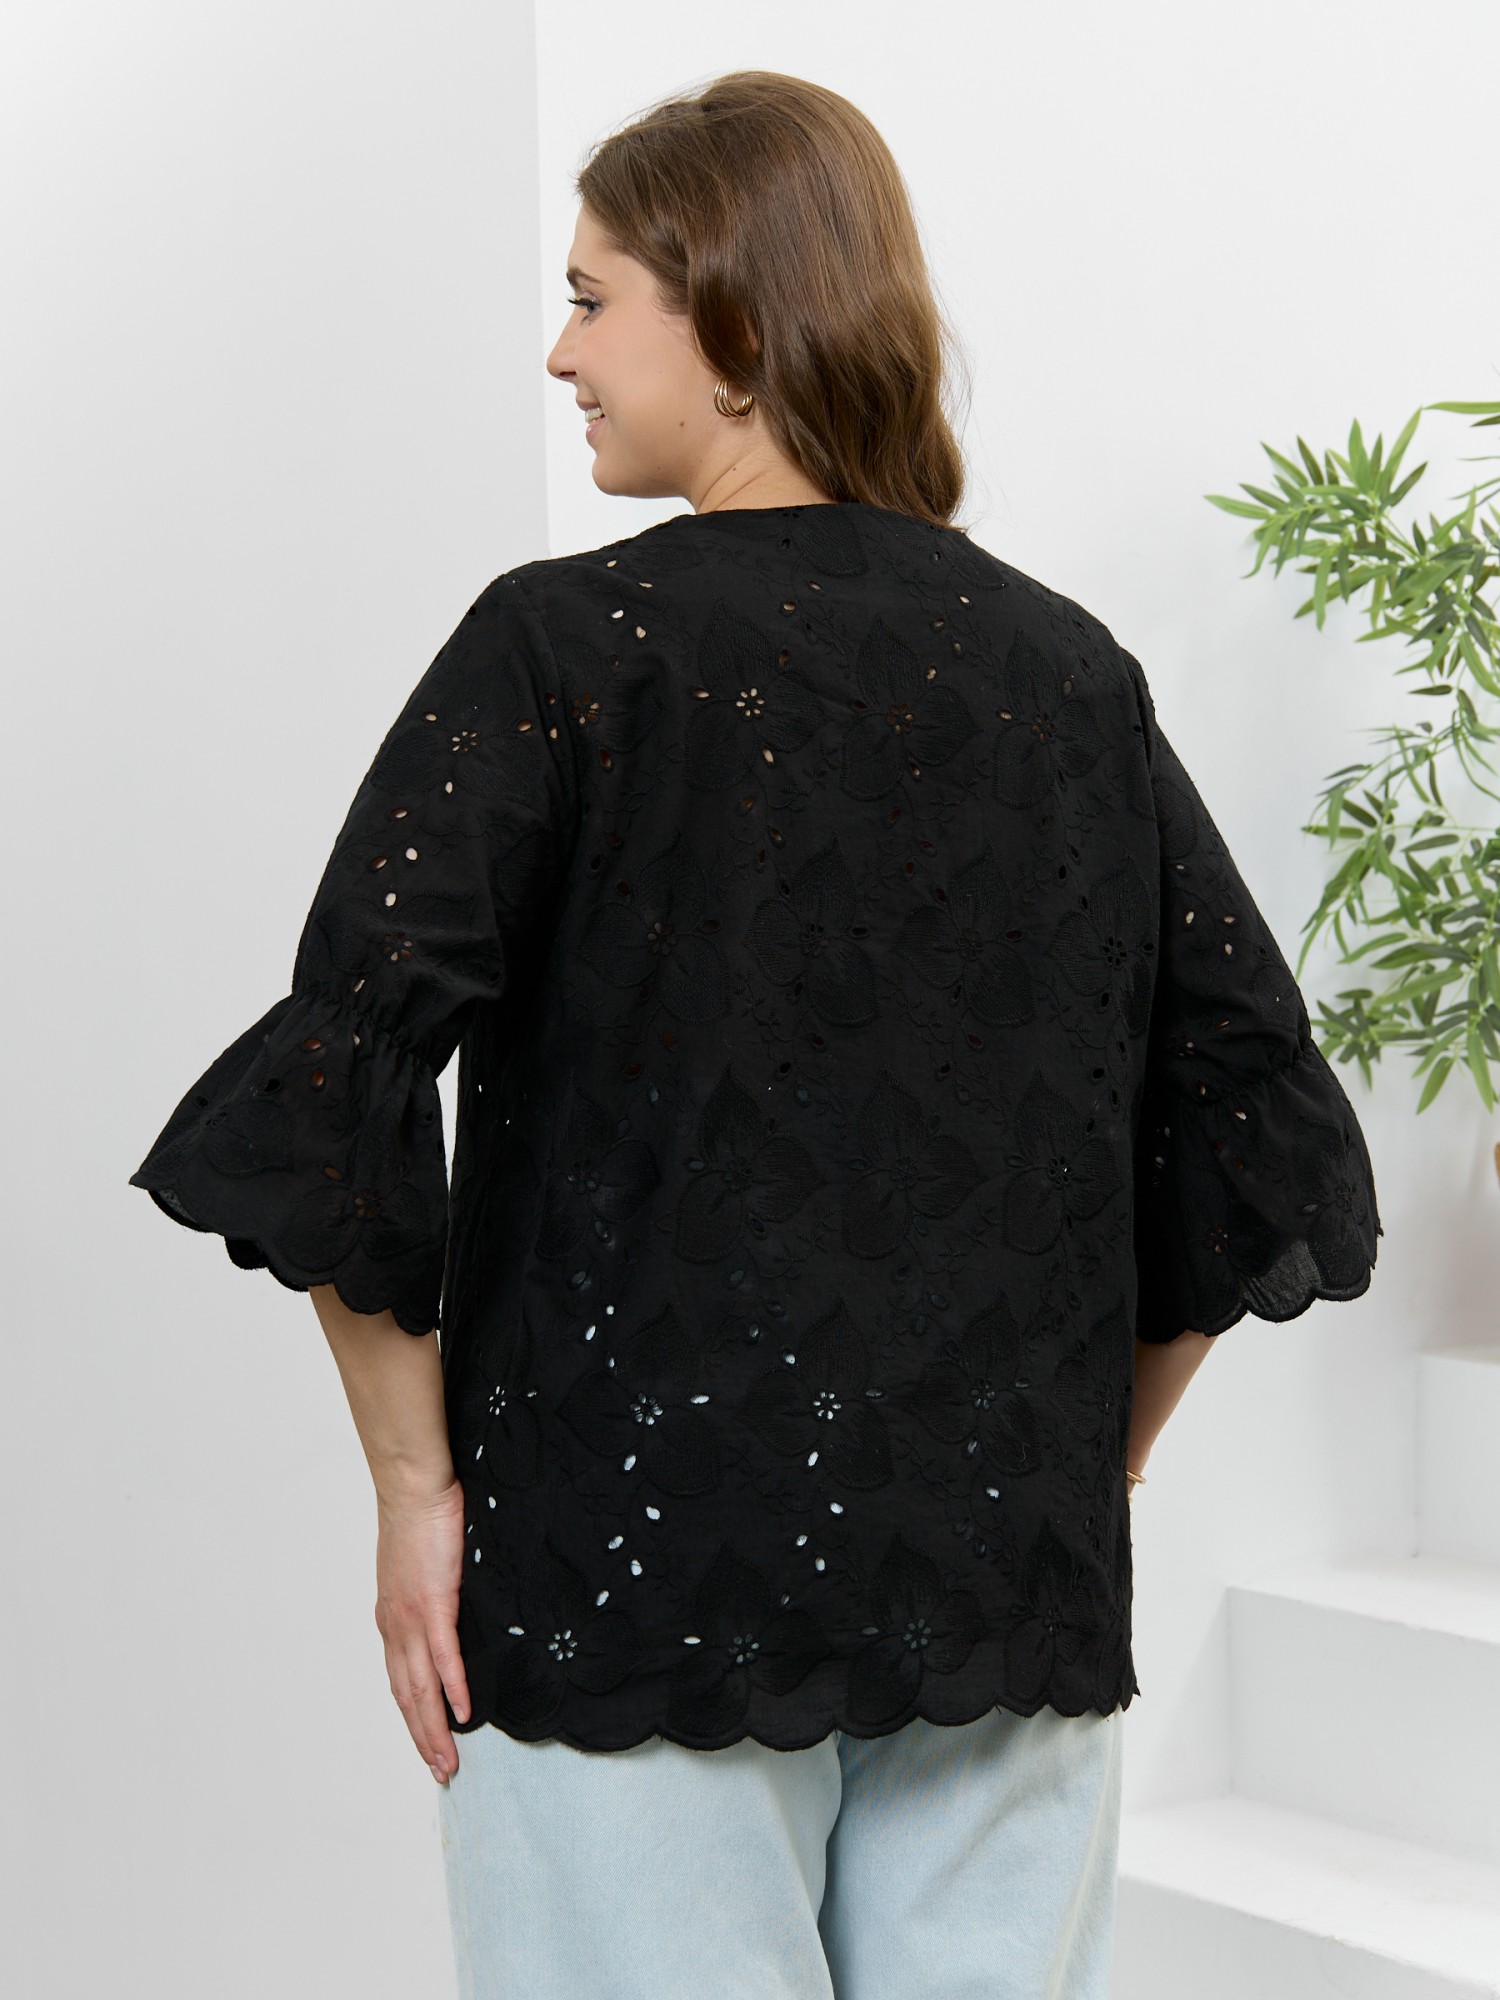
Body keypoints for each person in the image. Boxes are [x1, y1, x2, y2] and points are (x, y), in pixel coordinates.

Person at [128, 68, 1382, 2000]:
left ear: (729, 322)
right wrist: (1091, 1467)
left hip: (632, 1597)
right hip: (1005, 1602)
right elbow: (1253, 1133)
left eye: (589, 296)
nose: (558, 351)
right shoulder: (1072, 676)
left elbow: (342, 1069)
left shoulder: (564, 650)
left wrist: (415, 1493)